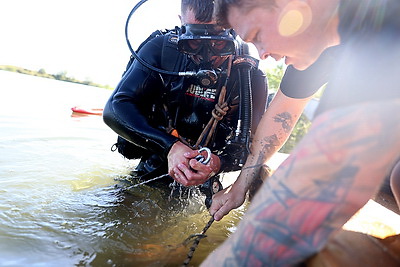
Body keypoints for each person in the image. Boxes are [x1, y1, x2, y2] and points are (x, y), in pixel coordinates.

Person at [201, 0, 400, 266]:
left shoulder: (381, 20)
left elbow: (333, 164)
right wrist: (239, 188)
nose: (261, 54)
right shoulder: (322, 42)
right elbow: (281, 115)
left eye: (257, 35)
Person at [103, 0, 270, 205]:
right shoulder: (161, 50)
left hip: (204, 185)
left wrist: (219, 163)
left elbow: (257, 147)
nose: (207, 54)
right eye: (194, 41)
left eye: (218, 43)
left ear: (234, 27)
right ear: (182, 24)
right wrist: (170, 146)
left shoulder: (248, 74)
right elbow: (115, 107)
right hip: (151, 168)